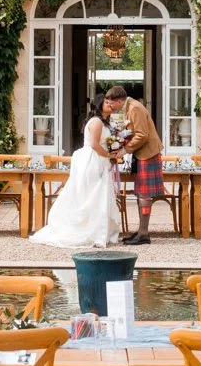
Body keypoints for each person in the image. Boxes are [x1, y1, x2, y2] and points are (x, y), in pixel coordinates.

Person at [29, 92, 123, 248]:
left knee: (98, 196)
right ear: (99, 105)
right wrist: (109, 155)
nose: (110, 105)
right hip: (93, 160)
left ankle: (99, 231)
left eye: (111, 102)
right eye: (107, 102)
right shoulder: (96, 122)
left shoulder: (104, 122)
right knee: (92, 195)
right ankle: (90, 231)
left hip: (99, 159)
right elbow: (94, 144)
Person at [105, 86, 165, 246]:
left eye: (111, 104)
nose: (110, 107)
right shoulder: (127, 108)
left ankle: (144, 234)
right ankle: (141, 232)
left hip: (148, 154)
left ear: (119, 101)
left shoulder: (135, 108)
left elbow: (142, 135)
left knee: (144, 194)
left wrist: (124, 150)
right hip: (142, 154)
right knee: (141, 193)